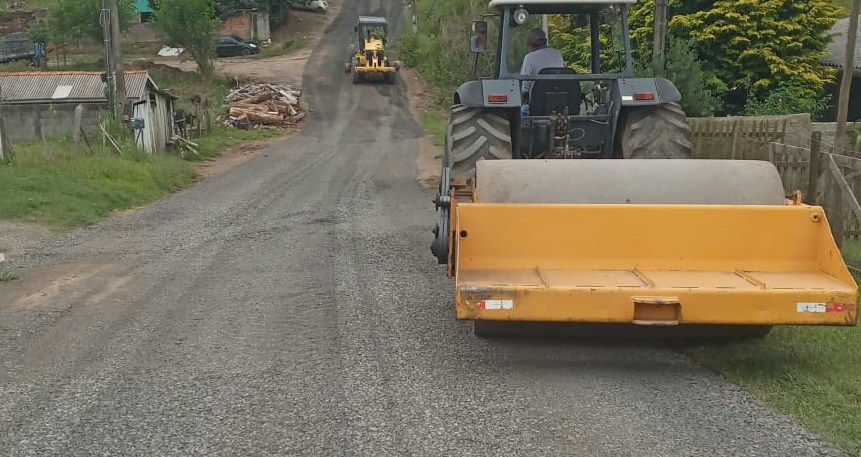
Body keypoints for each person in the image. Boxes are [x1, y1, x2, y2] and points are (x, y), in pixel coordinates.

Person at [519, 28, 564, 106]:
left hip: (537, 103)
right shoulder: (557, 53)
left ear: (530, 44)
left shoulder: (529, 57)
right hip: (559, 101)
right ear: (545, 41)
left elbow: (525, 87)